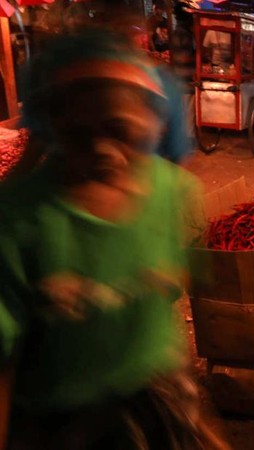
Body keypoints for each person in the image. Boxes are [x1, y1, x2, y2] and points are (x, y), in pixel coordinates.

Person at [0, 29, 229, 449]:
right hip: (59, 422)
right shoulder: (17, 220)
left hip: (157, 399)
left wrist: (189, 414)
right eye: (79, 135)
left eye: (119, 129)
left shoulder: (172, 194)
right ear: (52, 125)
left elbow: (164, 311)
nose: (104, 150)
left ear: (152, 123)